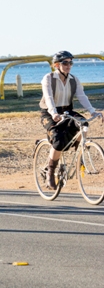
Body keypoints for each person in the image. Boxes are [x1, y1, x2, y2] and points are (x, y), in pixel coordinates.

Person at [40, 50, 102, 190]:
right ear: (56, 65)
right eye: (65, 63)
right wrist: (54, 113)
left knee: (83, 123)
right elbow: (49, 98)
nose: (68, 65)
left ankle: (79, 154)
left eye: (70, 63)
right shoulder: (48, 78)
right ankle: (50, 172)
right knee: (58, 139)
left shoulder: (74, 79)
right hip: (50, 113)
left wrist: (93, 111)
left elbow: (82, 96)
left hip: (67, 110)